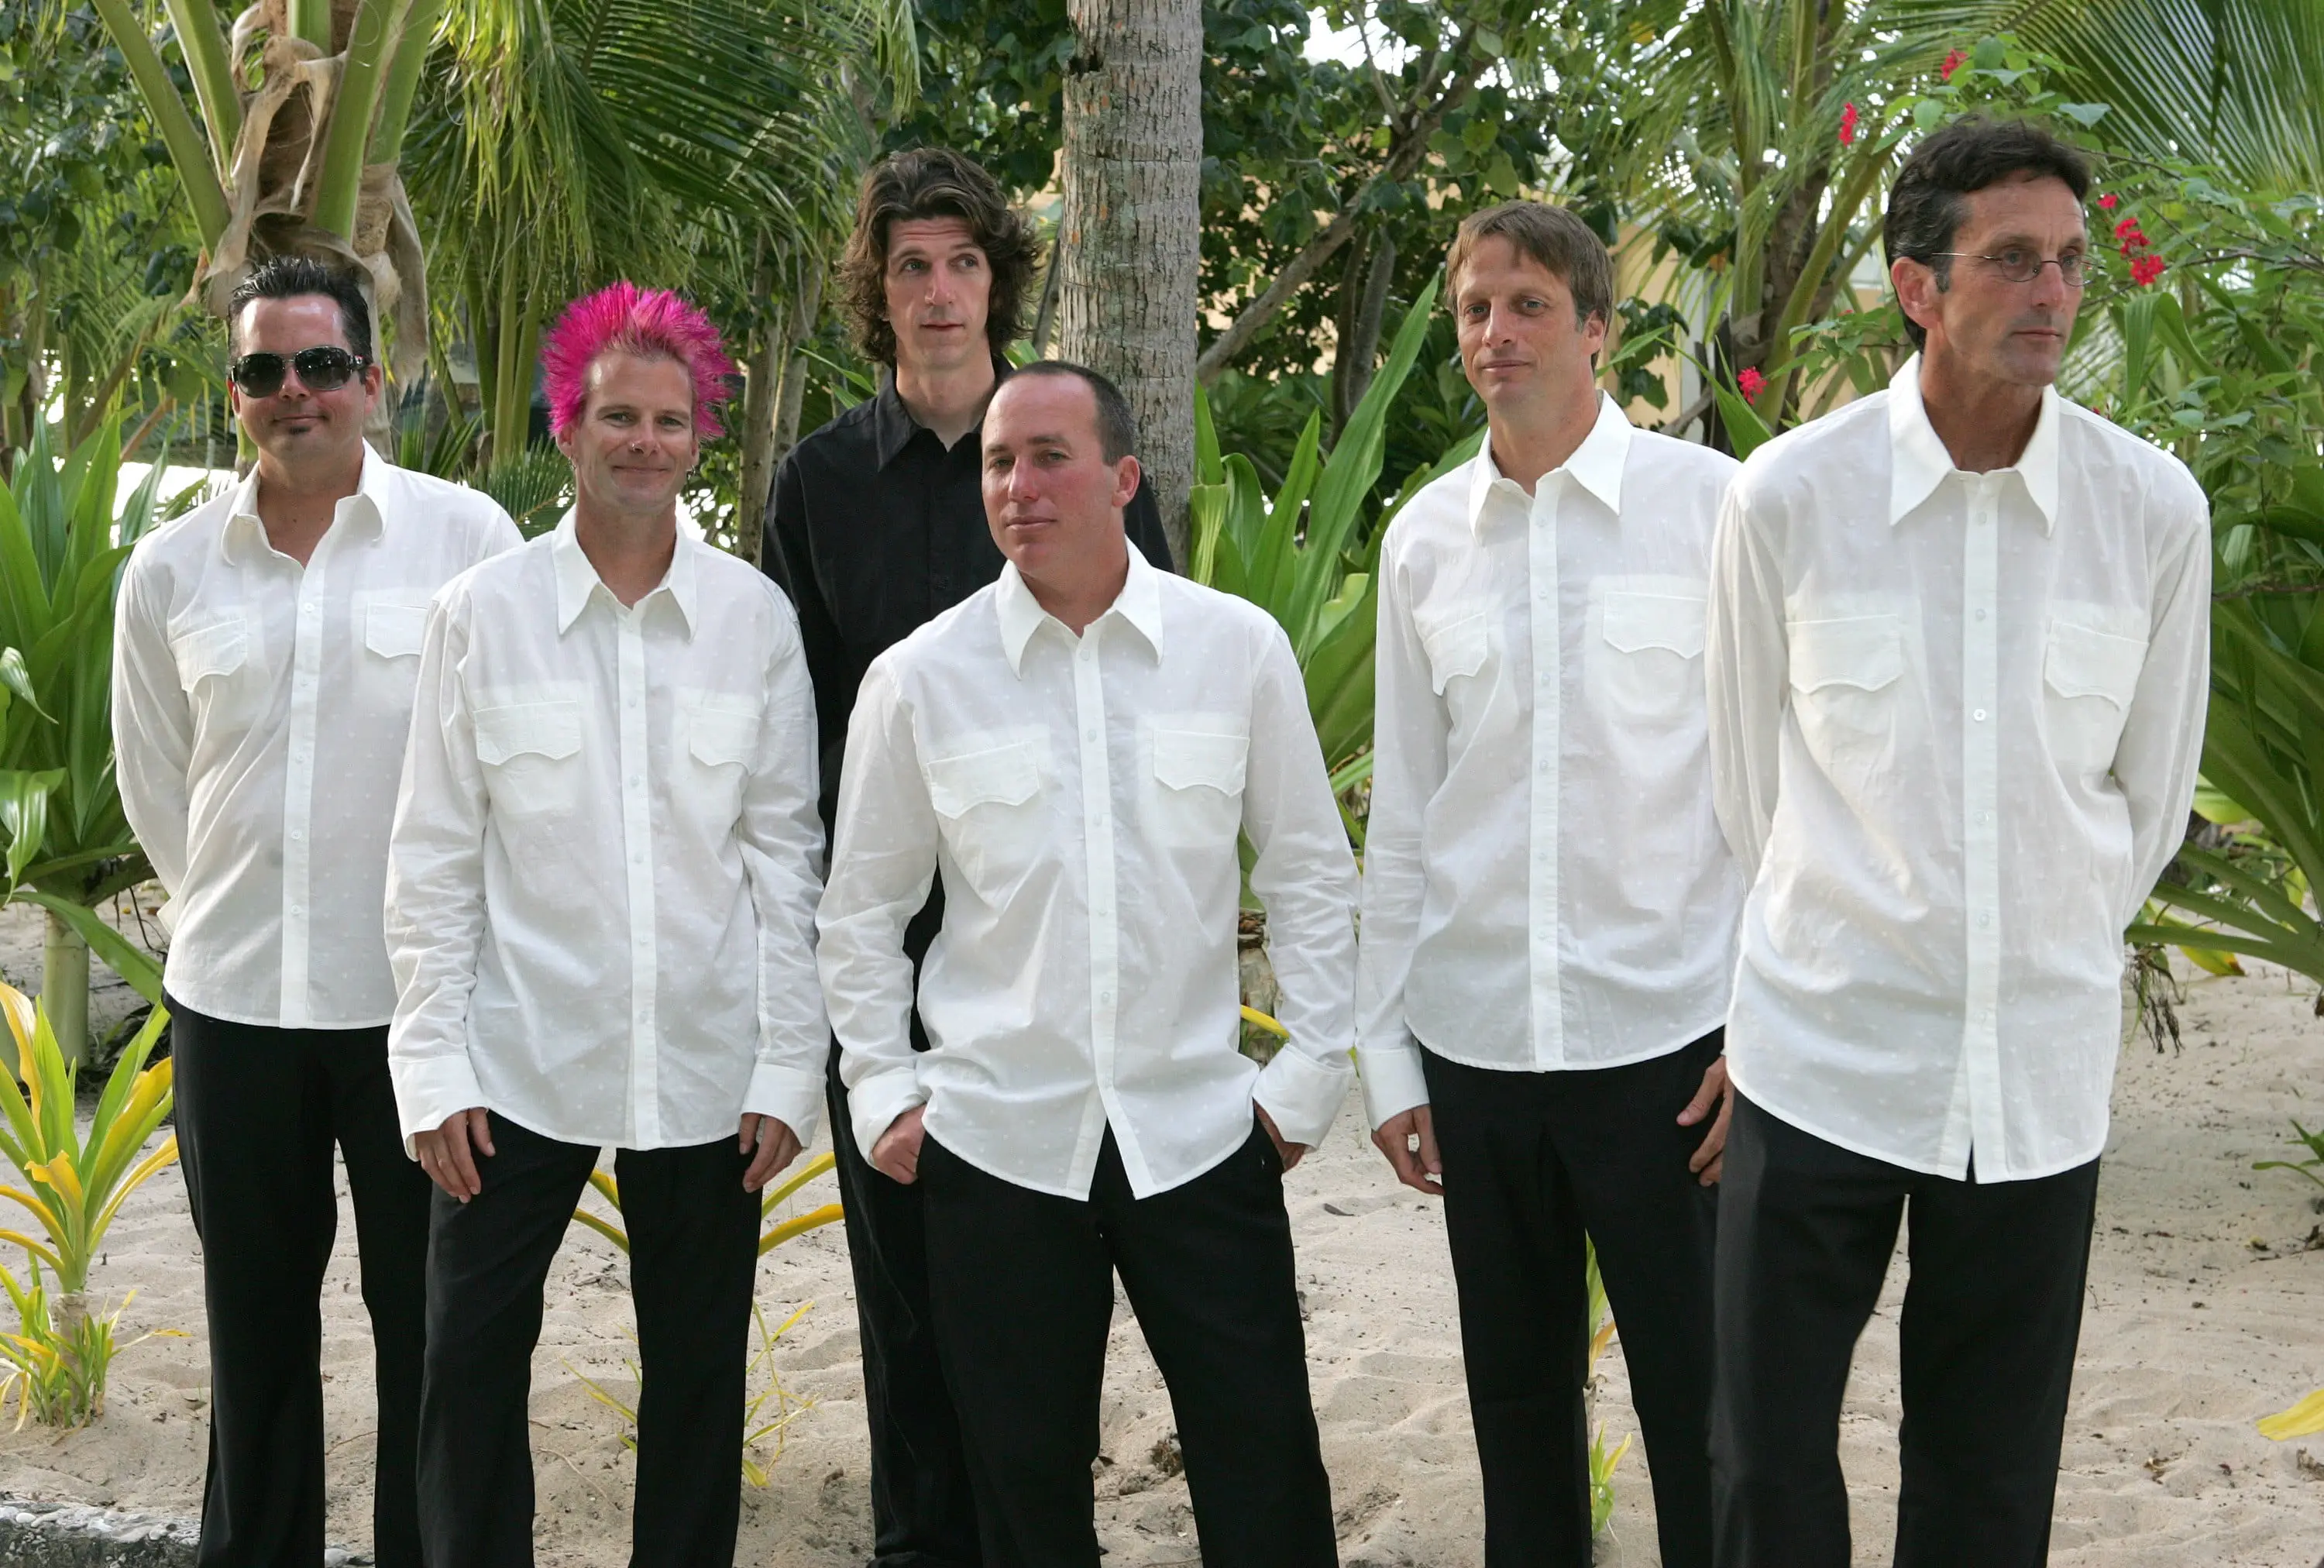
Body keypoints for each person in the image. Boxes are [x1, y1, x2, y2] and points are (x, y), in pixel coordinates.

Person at [1703, 118, 2210, 1566]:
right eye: (2009, 260)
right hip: (1822, 1057)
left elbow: (2147, 804)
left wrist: (2034, 941)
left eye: (2067, 259)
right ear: (1917, 287)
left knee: (1992, 1480)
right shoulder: (1787, 499)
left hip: (2038, 1077)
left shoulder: (2151, 513)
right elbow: (1751, 787)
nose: (2052, 290)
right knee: (1765, 1463)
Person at [817, 362, 1352, 1567]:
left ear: (1123, 476)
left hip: (1201, 1132)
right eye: (1000, 463)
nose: (1018, 485)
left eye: (1049, 456)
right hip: (998, 1143)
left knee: (1262, 1456)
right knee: (1019, 1484)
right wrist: (885, 1090)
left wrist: (1307, 1075)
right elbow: (861, 911)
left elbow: (1315, 874)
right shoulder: (920, 680)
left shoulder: (1238, 650)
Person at [760, 145, 1172, 1568]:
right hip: (887, 948)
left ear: (1001, 278)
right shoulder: (817, 482)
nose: (940, 293)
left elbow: (1149, 674)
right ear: (878, 295)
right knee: (905, 1300)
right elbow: (793, 732)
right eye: (910, 267)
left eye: (965, 263)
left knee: (1036, 1302)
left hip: (1055, 952)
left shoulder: (1066, 447)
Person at [383, 284, 827, 1566]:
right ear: (566, 428)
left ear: (701, 438)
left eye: (672, 420)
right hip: (517, 1060)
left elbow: (786, 858)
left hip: (707, 1065)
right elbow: (433, 855)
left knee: (697, 1377)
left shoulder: (754, 620)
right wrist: (434, 1063)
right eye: (617, 416)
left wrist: (786, 1063)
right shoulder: (482, 615)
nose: (646, 441)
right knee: (465, 1362)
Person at [111, 256, 520, 1568]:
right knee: (256, 1341)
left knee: (433, 1345)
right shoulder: (169, 571)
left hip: (418, 1026)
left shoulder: (469, 544)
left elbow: (510, 778)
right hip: (234, 1011)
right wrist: (240, 905)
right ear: (233, 394)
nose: (295, 393)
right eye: (264, 371)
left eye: (322, 365)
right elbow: (159, 788)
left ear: (371, 378)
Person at [1355, 201, 1741, 1568]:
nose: (1494, 332)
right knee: (1517, 1406)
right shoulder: (1422, 541)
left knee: (1706, 1406)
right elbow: (1402, 817)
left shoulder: (1713, 514)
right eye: (1473, 308)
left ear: (1596, 326)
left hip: (1674, 1046)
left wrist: (1760, 1028)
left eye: (1526, 304)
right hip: (1479, 1050)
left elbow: (1777, 793)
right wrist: (1388, 1061)